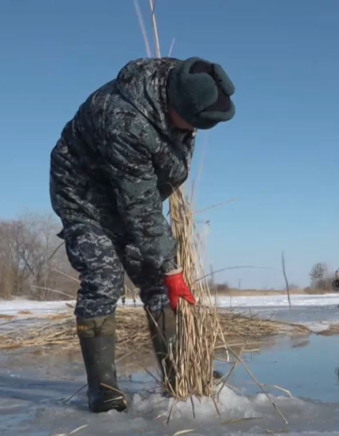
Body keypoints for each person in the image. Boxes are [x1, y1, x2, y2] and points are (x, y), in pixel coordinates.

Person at [50, 57, 236, 412]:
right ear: (176, 107)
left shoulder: (183, 79)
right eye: (196, 124)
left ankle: (180, 371)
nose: (197, 131)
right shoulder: (126, 122)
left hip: (129, 191)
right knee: (103, 277)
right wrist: (171, 265)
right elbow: (139, 207)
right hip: (84, 196)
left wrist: (164, 270)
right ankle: (103, 391)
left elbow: (145, 193)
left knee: (156, 280)